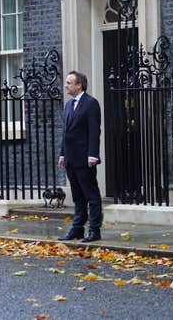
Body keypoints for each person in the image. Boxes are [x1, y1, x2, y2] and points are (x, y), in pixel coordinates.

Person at [57, 71, 102, 243]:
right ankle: (77, 229)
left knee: (91, 195)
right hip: (70, 158)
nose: (66, 85)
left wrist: (93, 155)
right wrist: (62, 154)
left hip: (85, 159)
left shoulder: (91, 104)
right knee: (77, 196)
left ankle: (94, 230)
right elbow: (66, 133)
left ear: (79, 85)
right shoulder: (69, 105)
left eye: (69, 82)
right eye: (67, 82)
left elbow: (94, 131)